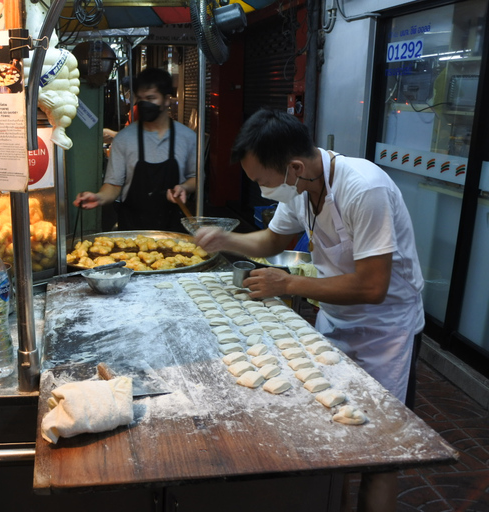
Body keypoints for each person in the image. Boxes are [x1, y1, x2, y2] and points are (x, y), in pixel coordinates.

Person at [196, 108, 424, 512]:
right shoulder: (300, 186)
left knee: (382, 451)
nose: (262, 190)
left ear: (294, 167)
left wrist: (289, 285)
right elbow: (271, 242)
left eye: (263, 181)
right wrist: (223, 240)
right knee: (330, 427)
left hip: (386, 329)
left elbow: (373, 286)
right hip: (336, 315)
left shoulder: (363, 189)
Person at [74, 68, 197, 231]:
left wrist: (184, 187)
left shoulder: (187, 137)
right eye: (140, 98)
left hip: (175, 230)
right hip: (132, 230)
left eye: (151, 98)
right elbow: (114, 185)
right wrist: (99, 197)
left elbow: (196, 178)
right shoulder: (124, 139)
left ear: (167, 99)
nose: (144, 103)